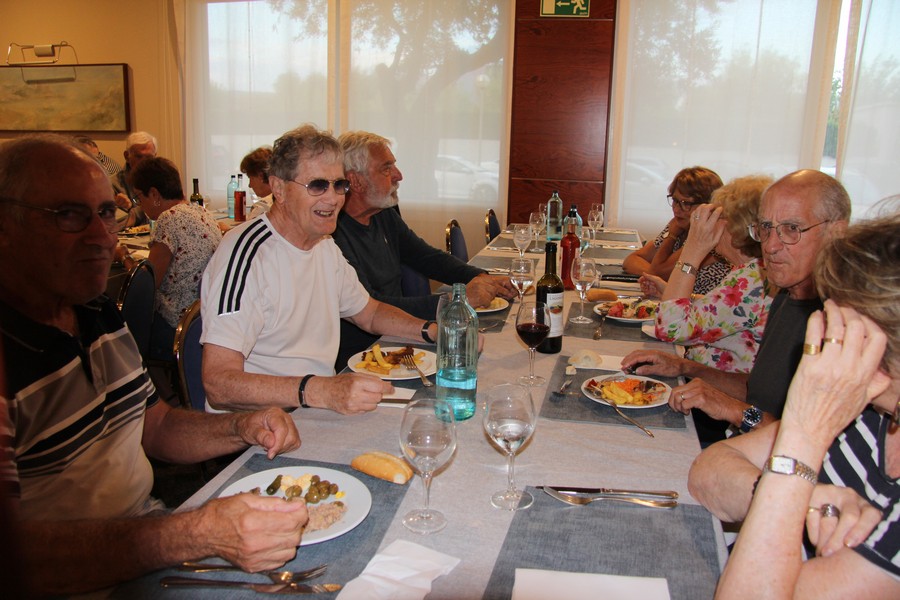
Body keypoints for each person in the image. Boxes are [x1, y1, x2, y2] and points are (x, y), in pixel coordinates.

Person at [0, 134, 307, 596]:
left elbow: (155, 425)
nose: (102, 237)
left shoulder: (96, 313)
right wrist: (192, 533)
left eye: (106, 212)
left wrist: (242, 426)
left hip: (142, 533)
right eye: (69, 215)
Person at [689, 212, 900, 597]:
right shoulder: (870, 412)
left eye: (838, 322)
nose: (823, 334)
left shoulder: (845, 399)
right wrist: (797, 498)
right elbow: (706, 472)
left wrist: (801, 436)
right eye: (764, 227)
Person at [201, 124, 452, 414]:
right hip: (263, 423)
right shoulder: (246, 255)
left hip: (315, 407)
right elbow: (219, 384)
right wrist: (320, 390)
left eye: (339, 185)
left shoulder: (323, 245)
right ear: (279, 189)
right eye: (317, 185)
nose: (333, 198)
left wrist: (435, 332)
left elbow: (369, 313)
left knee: (434, 416)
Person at [622, 170, 850, 442]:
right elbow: (756, 389)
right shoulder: (786, 296)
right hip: (738, 436)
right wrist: (685, 367)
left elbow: (814, 440)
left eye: (792, 228)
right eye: (766, 228)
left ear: (836, 232)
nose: (771, 245)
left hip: (750, 443)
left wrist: (733, 409)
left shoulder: (842, 319)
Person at [332, 130, 515, 368]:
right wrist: (456, 300)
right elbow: (370, 304)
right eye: (386, 168)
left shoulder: (383, 214)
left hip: (401, 335)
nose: (399, 175)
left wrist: (482, 277)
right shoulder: (332, 233)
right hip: (362, 355)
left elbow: (426, 257)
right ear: (355, 181)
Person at [641, 175, 774, 373]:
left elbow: (670, 328)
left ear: (734, 225)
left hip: (711, 383)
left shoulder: (750, 279)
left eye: (715, 216)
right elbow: (721, 310)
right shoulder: (754, 271)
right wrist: (676, 294)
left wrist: (693, 249)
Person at [113, 157, 222, 361]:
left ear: (154, 194)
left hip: (176, 325)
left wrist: (123, 256)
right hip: (200, 317)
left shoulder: (169, 218)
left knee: (116, 325)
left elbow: (148, 282)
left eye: (139, 198)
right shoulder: (201, 212)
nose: (140, 205)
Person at [622, 166, 731, 294]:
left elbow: (658, 272)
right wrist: (655, 275)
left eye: (686, 203)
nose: (676, 209)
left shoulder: (709, 236)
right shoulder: (680, 224)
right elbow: (631, 259)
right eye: (675, 200)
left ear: (708, 206)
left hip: (703, 304)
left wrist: (671, 236)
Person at [111, 131, 157, 229]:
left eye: (149, 157)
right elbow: (111, 225)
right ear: (127, 156)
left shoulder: (163, 180)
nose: (144, 162)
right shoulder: (113, 184)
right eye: (139, 157)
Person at [241, 146, 274, 219]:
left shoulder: (262, 207)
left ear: (260, 176)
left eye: (250, 178)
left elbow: (250, 226)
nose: (250, 185)